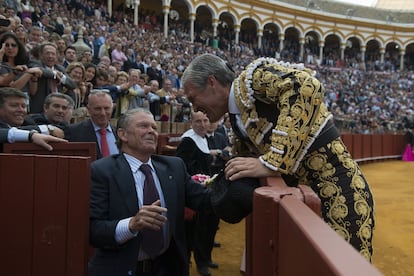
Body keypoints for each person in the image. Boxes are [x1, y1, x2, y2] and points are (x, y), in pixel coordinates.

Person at [181, 54, 375, 262]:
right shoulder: (238, 117)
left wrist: (273, 161)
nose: (194, 108)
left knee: (346, 263)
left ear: (212, 82)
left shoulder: (253, 80)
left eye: (193, 98)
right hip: (304, 199)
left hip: (339, 187)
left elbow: (305, 85)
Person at [88, 108, 212, 276]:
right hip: (121, 268)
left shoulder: (174, 167)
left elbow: (206, 200)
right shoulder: (102, 171)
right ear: (123, 134)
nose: (151, 132)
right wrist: (131, 224)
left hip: (168, 268)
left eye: (154, 127)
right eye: (143, 126)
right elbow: (94, 230)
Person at [175, 111, 217, 276]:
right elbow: (182, 166)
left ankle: (205, 258)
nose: (203, 124)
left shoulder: (203, 138)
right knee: (197, 231)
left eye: (205, 120)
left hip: (206, 189)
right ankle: (200, 263)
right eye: (198, 121)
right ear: (191, 123)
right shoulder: (188, 140)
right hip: (195, 193)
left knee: (207, 228)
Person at [0, 87, 67, 151]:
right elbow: (4, 132)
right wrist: (32, 135)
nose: (21, 110)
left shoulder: (28, 122)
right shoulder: (37, 119)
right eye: (14, 105)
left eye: (23, 106)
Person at [64, 90, 118, 159]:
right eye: (97, 109)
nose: (103, 113)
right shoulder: (74, 132)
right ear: (88, 110)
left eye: (106, 108)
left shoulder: (120, 134)